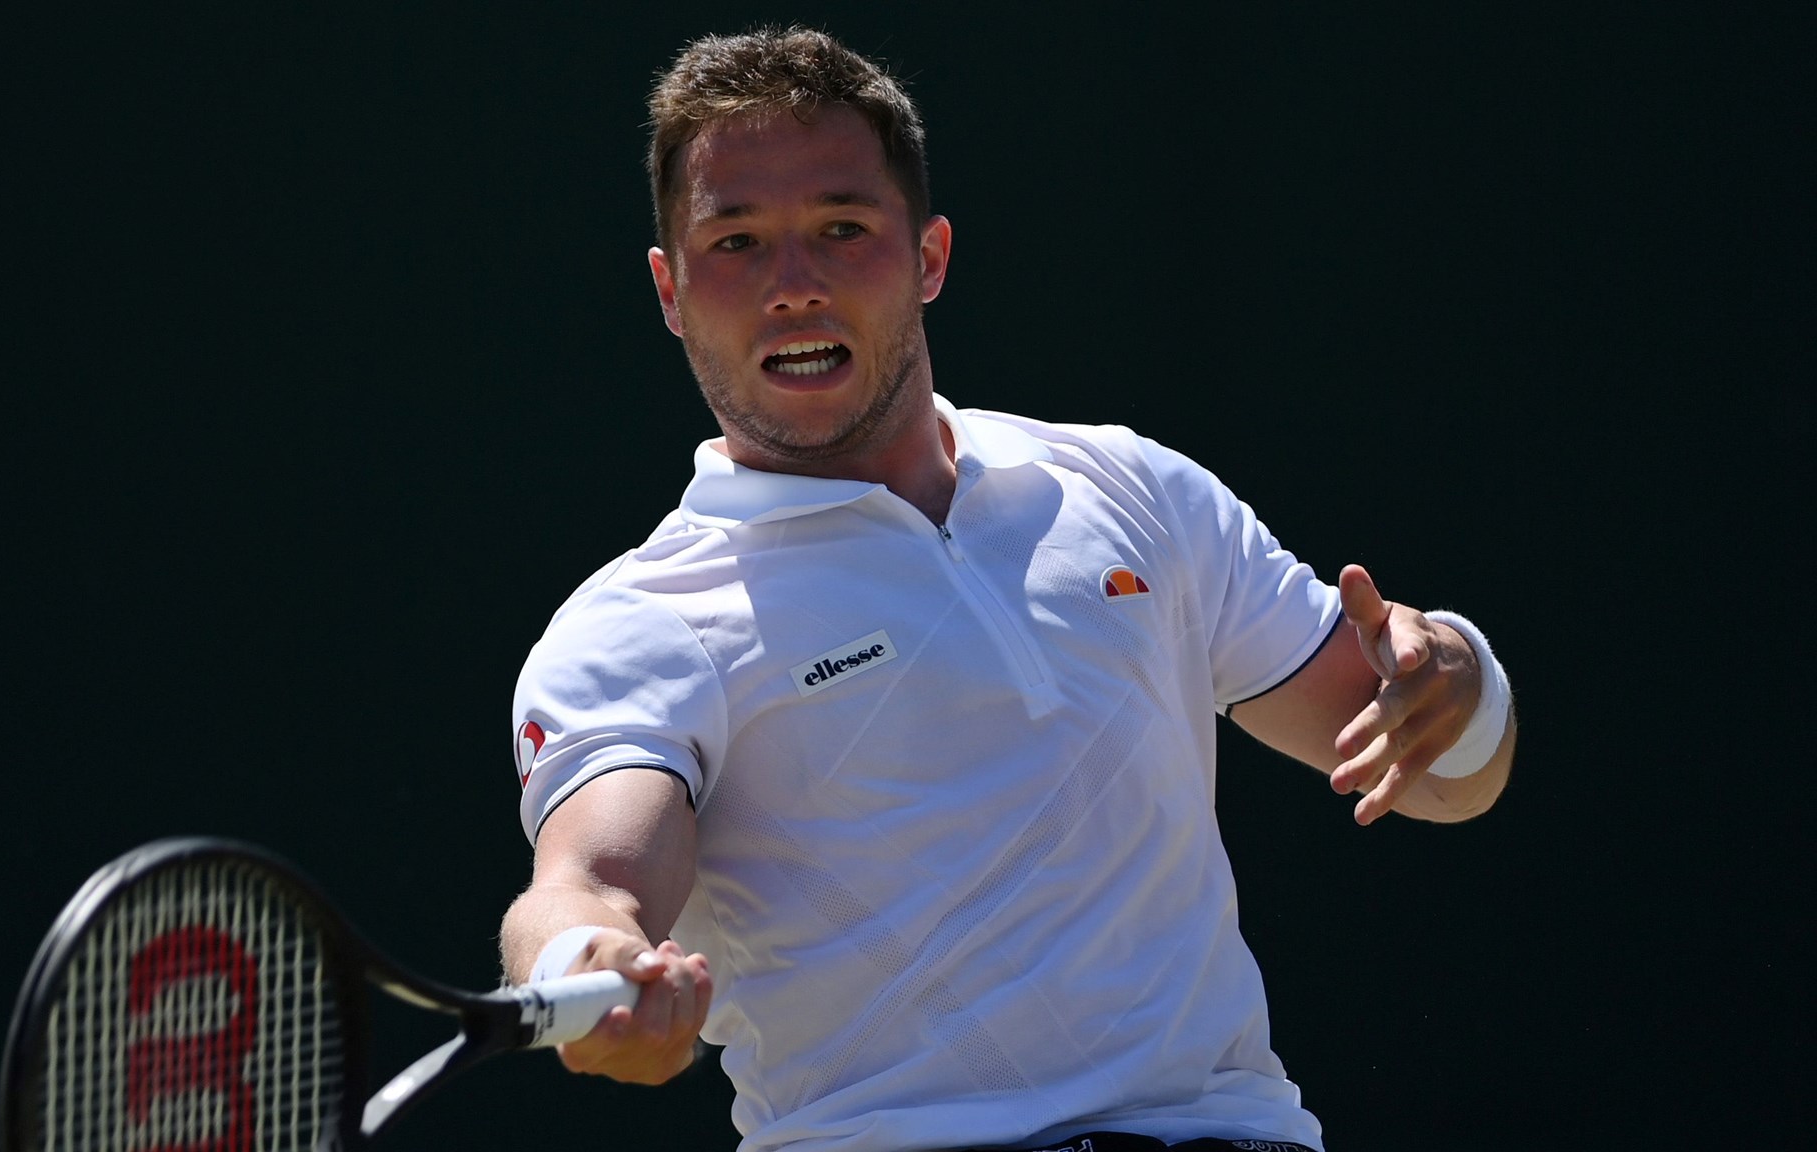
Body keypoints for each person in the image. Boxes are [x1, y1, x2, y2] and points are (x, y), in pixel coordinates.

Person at [499, 26, 1515, 1152]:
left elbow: (1445, 783)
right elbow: (586, 882)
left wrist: (1455, 680)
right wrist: (585, 969)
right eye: (735, 242)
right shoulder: (639, 622)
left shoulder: (1129, 488)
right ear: (670, 291)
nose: (792, 285)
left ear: (927, 256)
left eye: (842, 230)